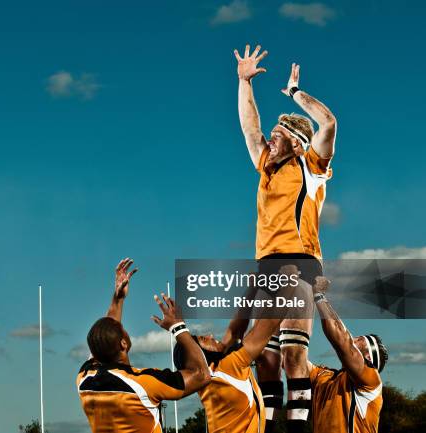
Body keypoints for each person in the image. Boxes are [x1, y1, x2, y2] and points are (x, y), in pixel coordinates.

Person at [233, 43, 338, 432]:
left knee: (294, 353)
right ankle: (267, 425)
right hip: (267, 264)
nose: (269, 140)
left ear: (296, 142)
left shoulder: (311, 166)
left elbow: (327, 124)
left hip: (299, 261)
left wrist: (296, 94)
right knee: (266, 358)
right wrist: (244, 82)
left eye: (278, 135)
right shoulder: (267, 165)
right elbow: (250, 126)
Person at [76, 258, 210, 433]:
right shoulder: (143, 384)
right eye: (122, 329)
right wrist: (178, 327)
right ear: (123, 343)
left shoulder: (85, 379)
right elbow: (201, 374)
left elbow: (106, 335)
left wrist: (118, 298)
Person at [175, 265, 301, 433]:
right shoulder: (229, 367)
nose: (211, 335)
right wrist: (290, 282)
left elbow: (234, 331)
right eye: (204, 340)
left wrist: (253, 287)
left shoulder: (211, 375)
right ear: (199, 355)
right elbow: (270, 322)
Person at [308, 276, 387, 433]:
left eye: (358, 341)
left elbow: (342, 342)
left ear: (368, 360)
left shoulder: (371, 382)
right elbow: (293, 359)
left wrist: (319, 295)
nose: (351, 339)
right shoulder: (325, 377)